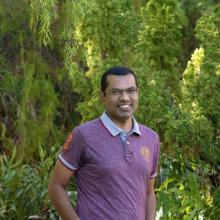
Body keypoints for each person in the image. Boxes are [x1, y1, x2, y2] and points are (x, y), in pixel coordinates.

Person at [48, 66, 160, 220]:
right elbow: (56, 187)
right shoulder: (83, 135)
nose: (125, 98)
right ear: (102, 97)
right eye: (116, 92)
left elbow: (149, 192)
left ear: (137, 93)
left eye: (130, 91)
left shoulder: (151, 138)